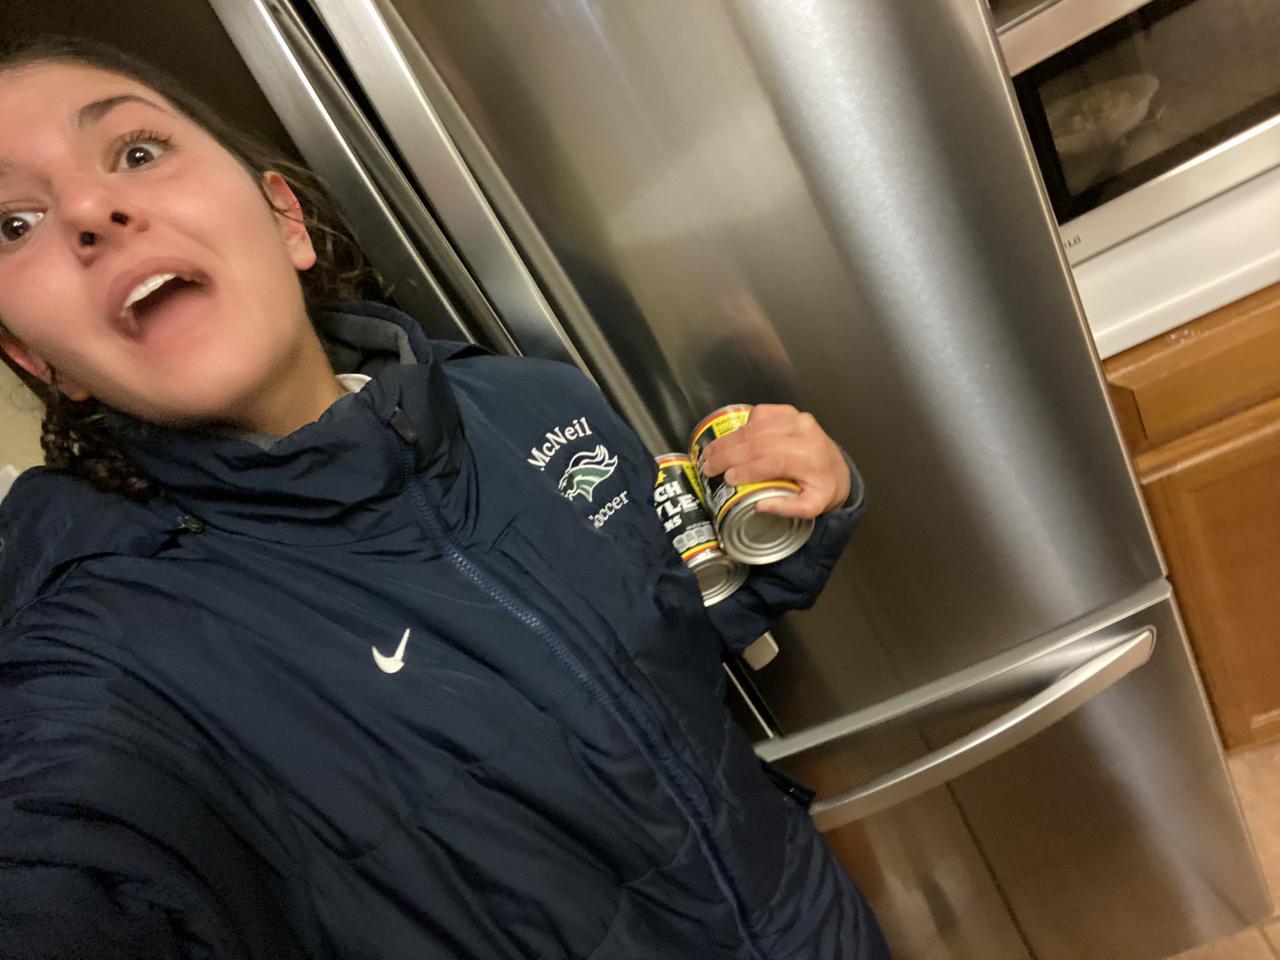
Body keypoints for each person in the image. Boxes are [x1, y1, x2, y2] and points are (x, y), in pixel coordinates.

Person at [0, 38, 889, 960]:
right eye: (13, 224)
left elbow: (671, 627)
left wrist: (787, 514)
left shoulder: (531, 401)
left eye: (137, 152)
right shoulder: (104, 656)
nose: (91, 211)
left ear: (286, 220)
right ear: (42, 364)